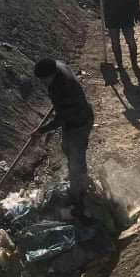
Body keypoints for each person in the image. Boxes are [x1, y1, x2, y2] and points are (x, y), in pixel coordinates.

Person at [33, 58, 94, 216]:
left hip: (79, 123)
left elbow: (62, 118)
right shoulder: (58, 65)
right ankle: (79, 178)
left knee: (76, 158)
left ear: (52, 75)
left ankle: (78, 196)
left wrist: (42, 130)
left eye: (44, 79)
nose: (43, 83)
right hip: (73, 119)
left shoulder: (63, 87)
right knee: (67, 148)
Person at [101, 0, 140, 70]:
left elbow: (135, 0)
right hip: (112, 17)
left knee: (131, 41)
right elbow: (99, 0)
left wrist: (138, 15)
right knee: (115, 43)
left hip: (126, 16)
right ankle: (120, 65)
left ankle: (134, 64)